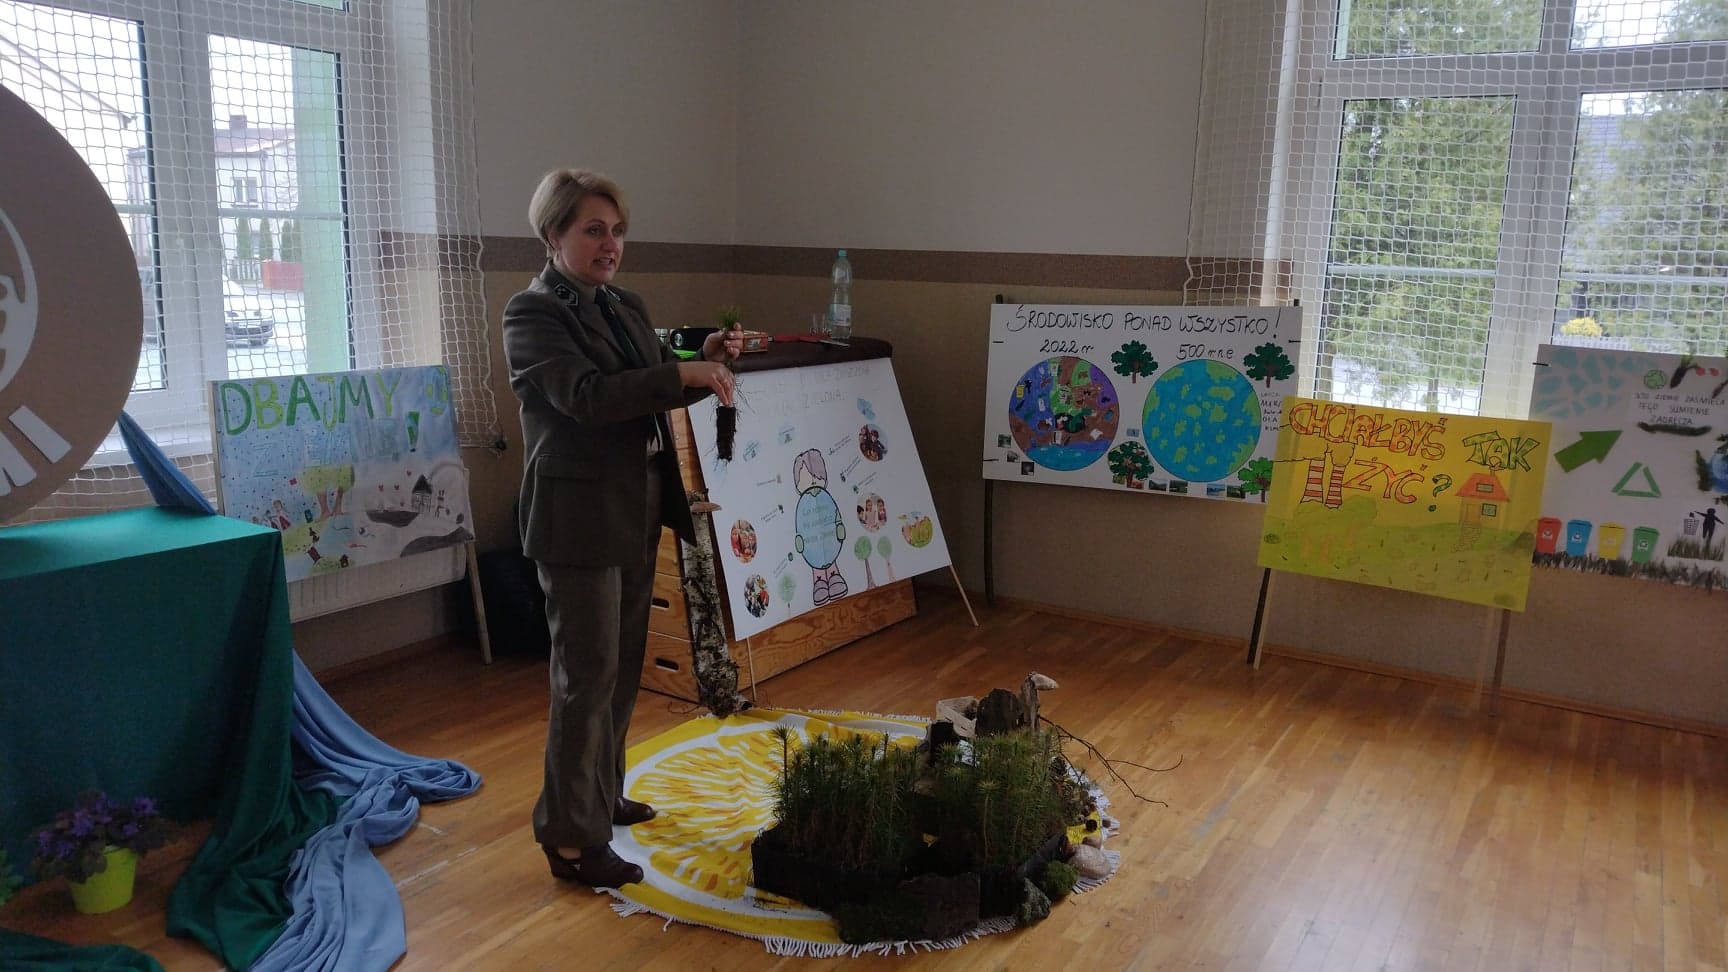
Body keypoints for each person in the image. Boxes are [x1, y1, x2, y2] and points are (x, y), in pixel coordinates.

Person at [503, 168, 740, 888]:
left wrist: (705, 361)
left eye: (617, 231)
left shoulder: (623, 304)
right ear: (553, 235)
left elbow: (657, 379)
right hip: (575, 518)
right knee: (586, 676)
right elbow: (587, 397)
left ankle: (601, 796)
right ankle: (571, 839)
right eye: (593, 230)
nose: (610, 244)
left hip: (635, 505)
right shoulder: (531, 313)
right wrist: (681, 376)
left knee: (621, 665)